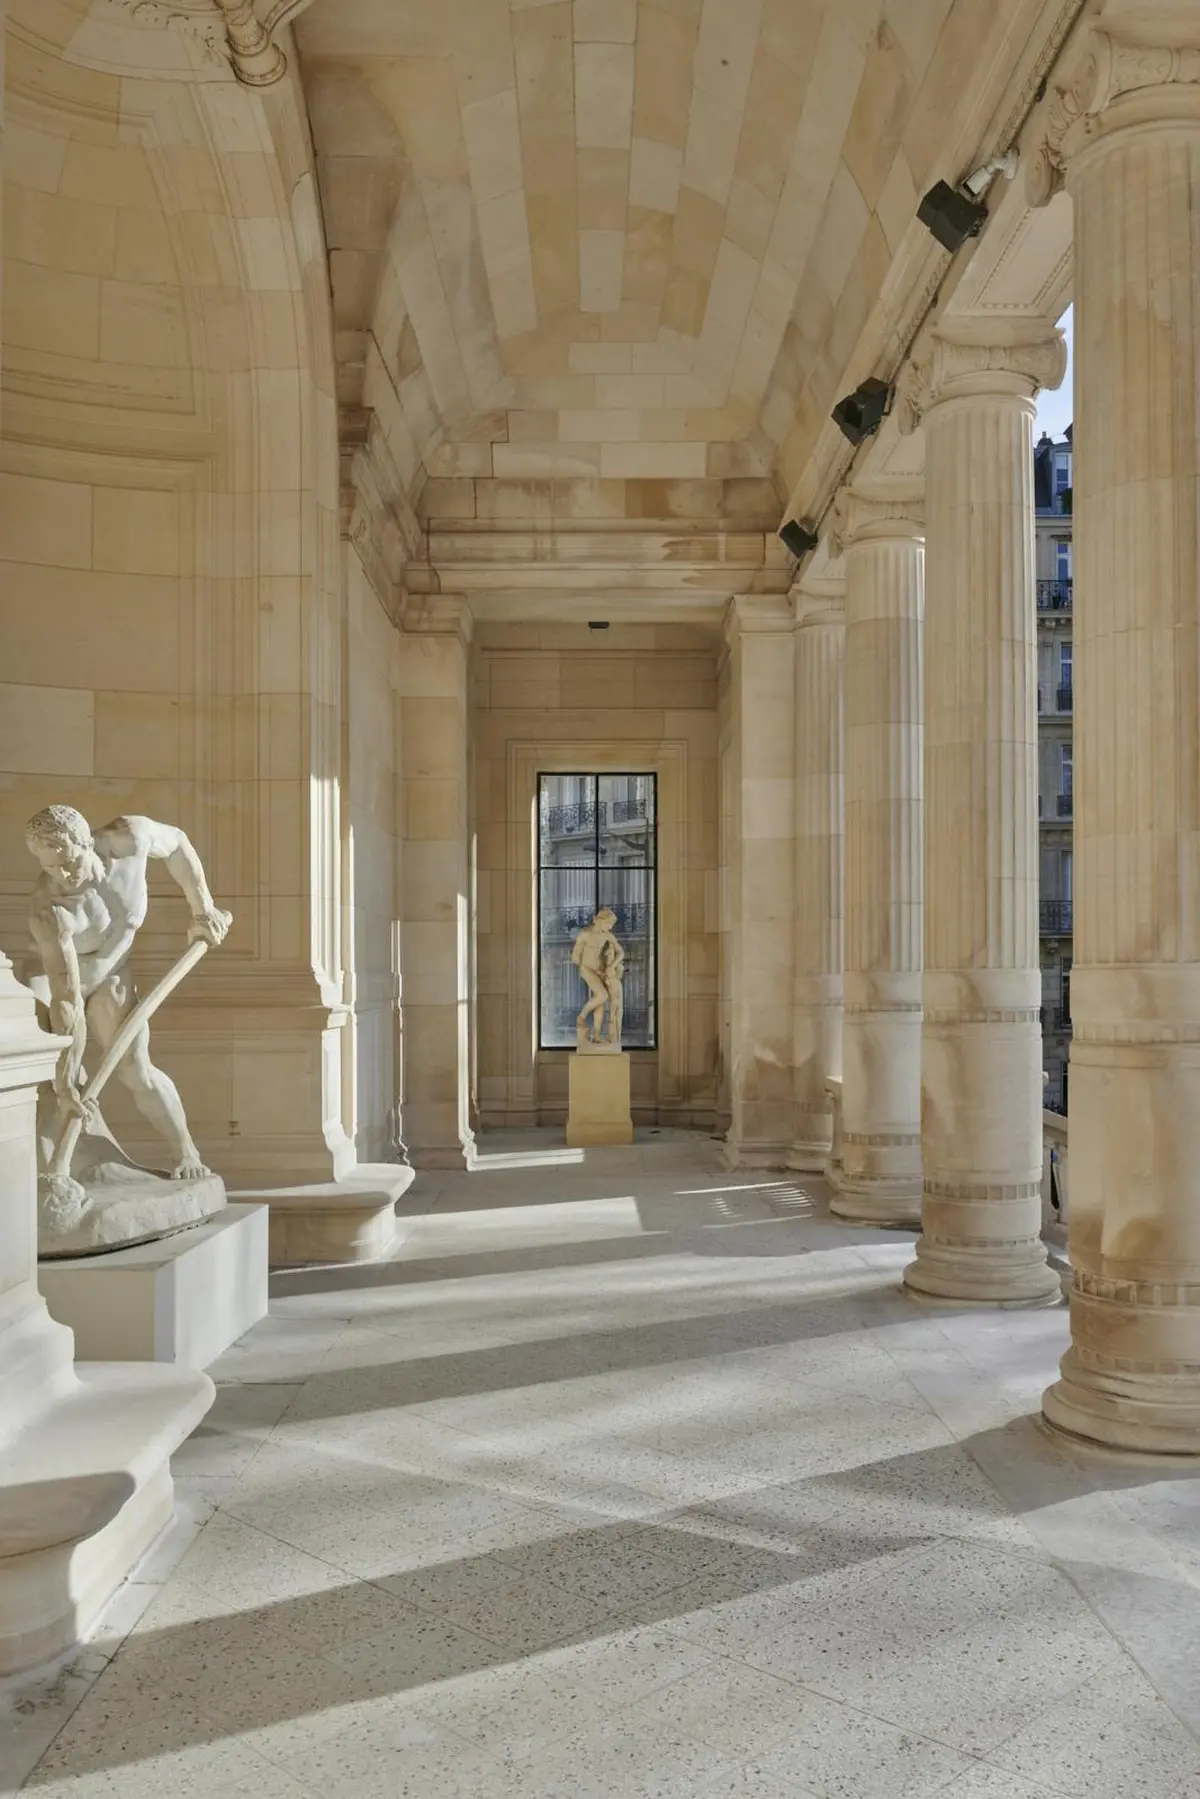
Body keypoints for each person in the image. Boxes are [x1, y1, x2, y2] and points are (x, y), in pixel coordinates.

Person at [24, 806, 231, 1180]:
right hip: (56, 982)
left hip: (113, 973)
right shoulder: (50, 910)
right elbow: (67, 997)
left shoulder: (130, 838)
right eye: (51, 868)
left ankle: (187, 1152)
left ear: (88, 842)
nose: (64, 876)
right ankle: (62, 1165)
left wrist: (204, 910)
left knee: (137, 1070)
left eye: (68, 862)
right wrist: (67, 1081)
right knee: (52, 1082)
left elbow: (179, 845)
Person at [571, 907, 625, 1045]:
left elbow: (621, 952)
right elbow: (575, 957)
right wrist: (582, 966)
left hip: (599, 971)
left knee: (599, 1004)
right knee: (602, 996)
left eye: (611, 925)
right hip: (587, 969)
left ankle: (596, 1036)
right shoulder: (585, 934)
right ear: (600, 921)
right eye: (608, 924)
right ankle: (581, 1016)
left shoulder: (607, 935)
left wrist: (612, 965)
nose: (610, 927)